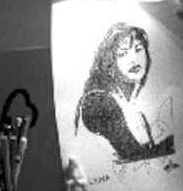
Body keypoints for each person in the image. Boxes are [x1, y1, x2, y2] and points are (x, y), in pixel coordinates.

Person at [74, 22, 175, 162]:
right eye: (122, 54)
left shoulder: (133, 108)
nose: (134, 59)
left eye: (138, 49)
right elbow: (131, 157)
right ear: (110, 63)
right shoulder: (98, 101)